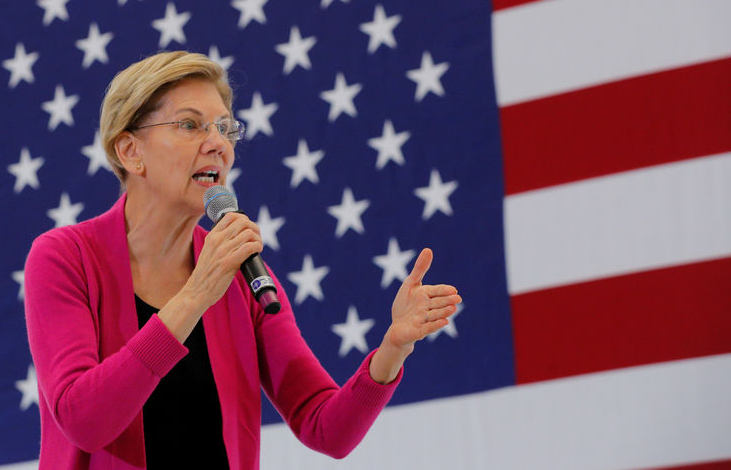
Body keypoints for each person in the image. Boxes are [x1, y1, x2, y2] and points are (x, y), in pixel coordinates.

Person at [24, 51, 462, 470]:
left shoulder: (244, 277)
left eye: (225, 129)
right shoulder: (66, 258)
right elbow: (84, 420)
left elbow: (326, 428)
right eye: (190, 125)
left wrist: (393, 350)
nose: (218, 144)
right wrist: (195, 295)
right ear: (130, 151)